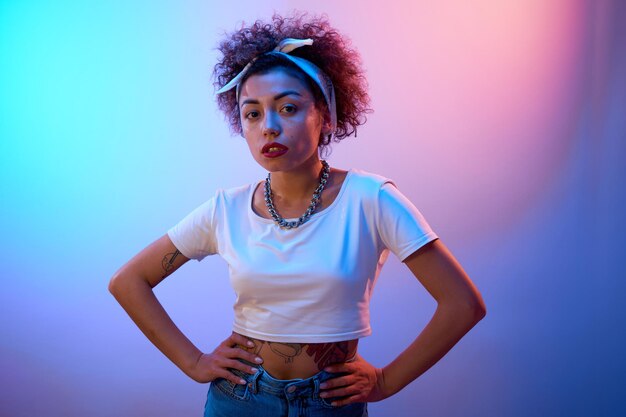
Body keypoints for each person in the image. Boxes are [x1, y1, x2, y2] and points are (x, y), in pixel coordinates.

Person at [108, 11, 486, 417]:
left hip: (329, 403)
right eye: (252, 113)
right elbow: (128, 281)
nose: (268, 126)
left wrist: (385, 382)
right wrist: (195, 362)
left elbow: (462, 304)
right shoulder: (225, 210)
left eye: (288, 108)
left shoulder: (371, 199)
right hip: (239, 399)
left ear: (324, 116)